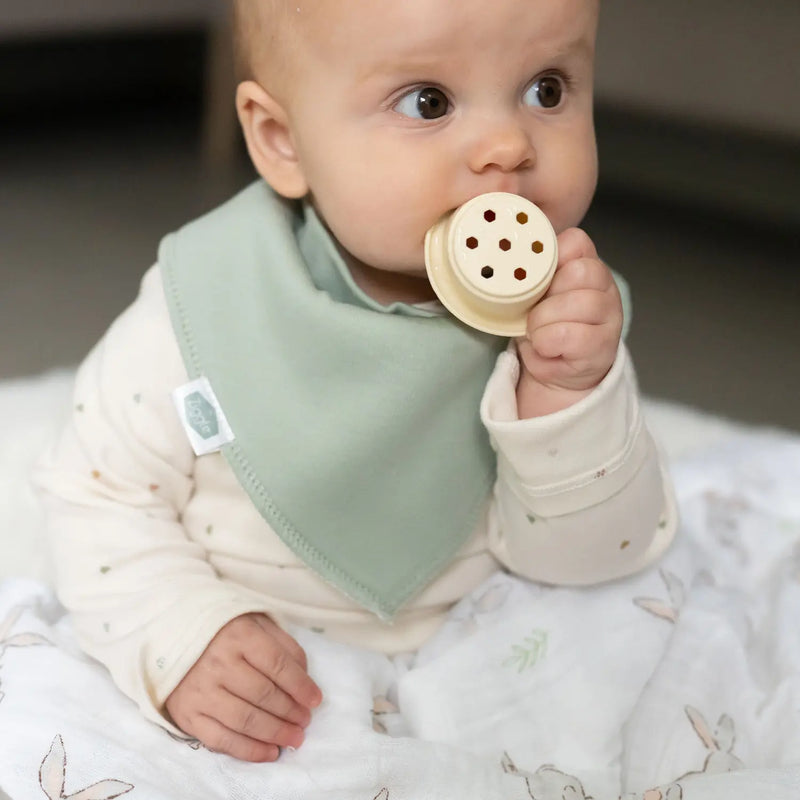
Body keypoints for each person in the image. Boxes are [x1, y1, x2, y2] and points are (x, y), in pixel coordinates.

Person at [35, 0, 676, 764]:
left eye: (547, 88)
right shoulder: (210, 302)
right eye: (428, 102)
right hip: (273, 681)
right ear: (283, 141)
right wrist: (181, 631)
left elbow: (596, 556)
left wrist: (567, 399)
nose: (510, 144)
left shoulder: (561, 325)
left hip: (489, 655)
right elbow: (96, 495)